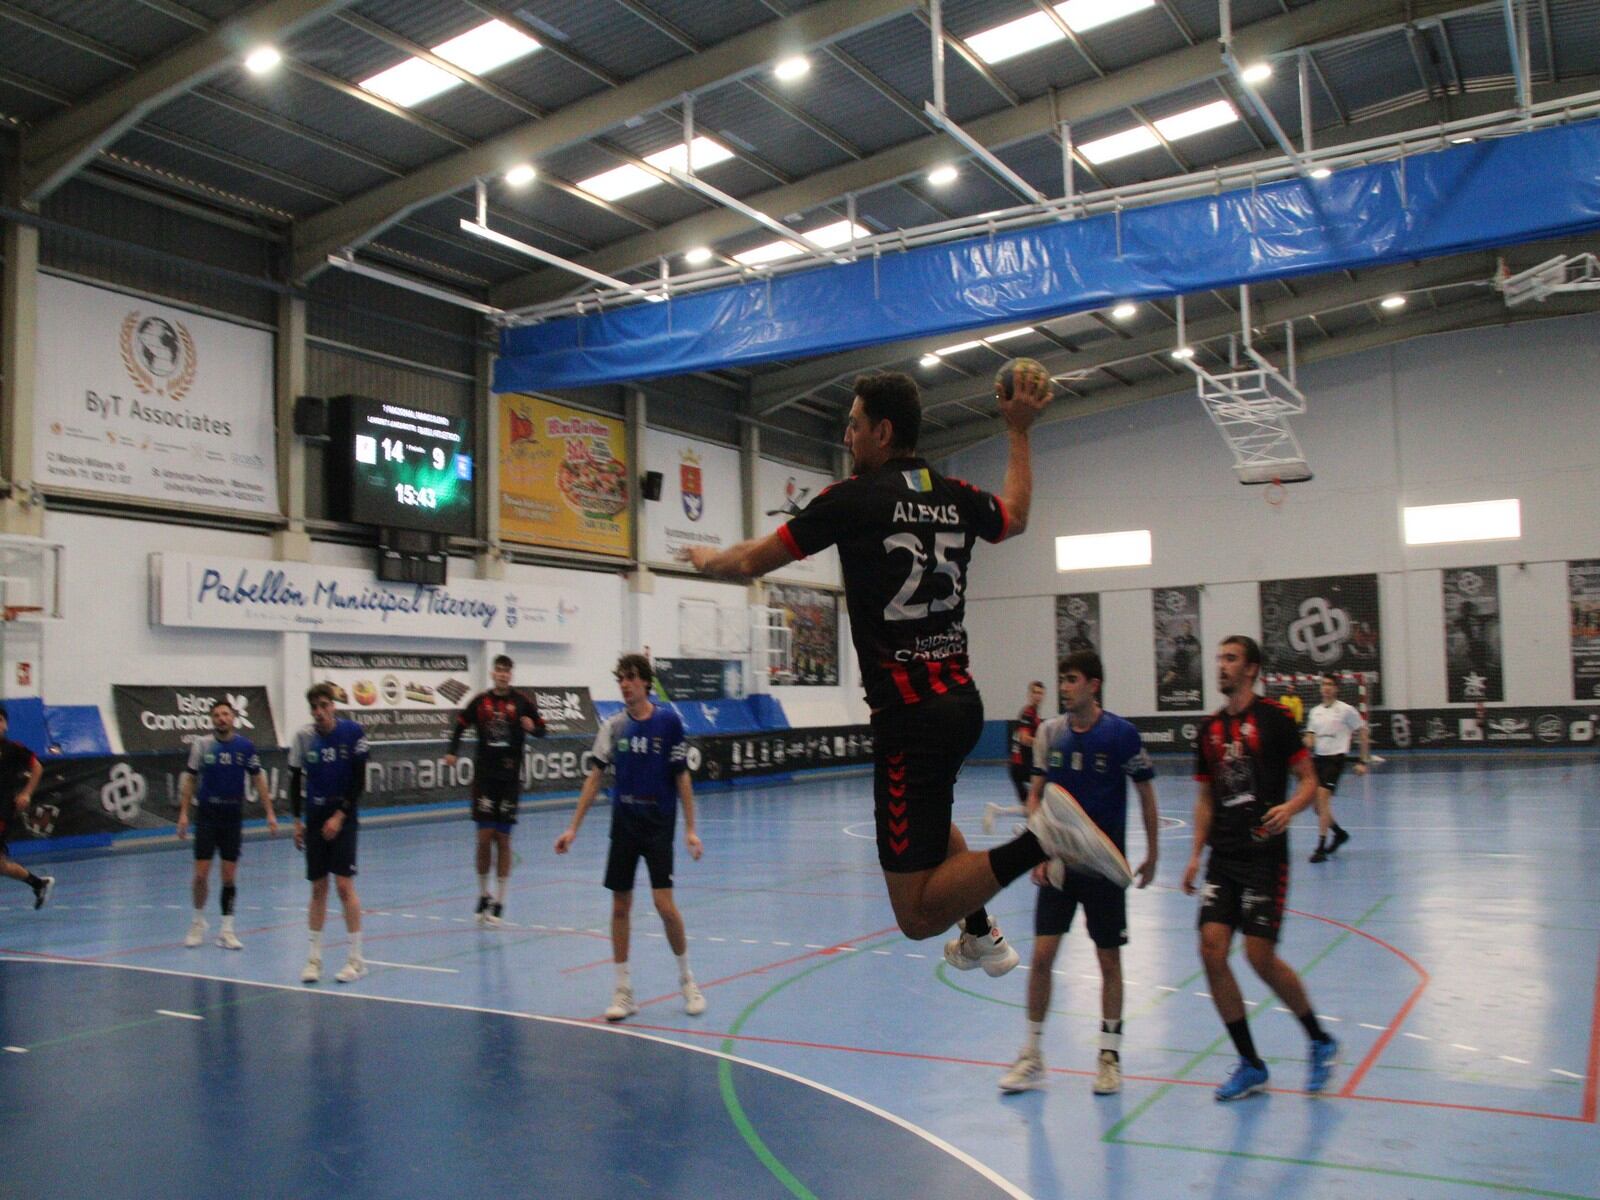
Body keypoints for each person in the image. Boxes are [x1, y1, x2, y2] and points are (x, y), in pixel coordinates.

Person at [685, 369, 1128, 976]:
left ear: (883, 431)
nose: (847, 435)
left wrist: (707, 558)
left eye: (855, 424)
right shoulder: (955, 493)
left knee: (916, 916)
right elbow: (1017, 515)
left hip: (909, 718)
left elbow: (752, 559)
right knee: (931, 819)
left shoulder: (850, 499)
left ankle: (1042, 840)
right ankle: (980, 931)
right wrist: (1017, 431)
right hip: (960, 704)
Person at [1183, 636, 1338, 1100]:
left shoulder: (1276, 719)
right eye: (1219, 658)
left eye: (1230, 659)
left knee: (1258, 956)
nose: (1222, 666)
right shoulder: (1209, 730)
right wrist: (1194, 854)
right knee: (1211, 951)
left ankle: (1319, 1039)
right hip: (1223, 857)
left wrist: (1290, 808)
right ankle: (1250, 1063)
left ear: (1251, 669)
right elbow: (1207, 798)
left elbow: (1310, 780)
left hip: (1265, 857)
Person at [999, 652, 1158, 1096]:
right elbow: (1036, 797)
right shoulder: (1050, 733)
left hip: (1104, 869)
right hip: (1059, 866)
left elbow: (1145, 795)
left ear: (1094, 684)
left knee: (1109, 961)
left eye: (1071, 680)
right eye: (1061, 681)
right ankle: (1032, 1055)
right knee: (1043, 958)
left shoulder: (1121, 734)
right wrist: (1037, 850)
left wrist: (1153, 854)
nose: (1064, 688)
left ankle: (1109, 1056)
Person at [555, 654, 705, 1022]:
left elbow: (682, 777)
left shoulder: (669, 722)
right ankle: (624, 991)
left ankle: (688, 980)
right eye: (621, 678)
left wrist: (690, 829)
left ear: (646, 684)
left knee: (664, 906)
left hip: (658, 824)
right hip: (624, 824)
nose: (625, 684)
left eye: (632, 678)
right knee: (620, 906)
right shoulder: (613, 726)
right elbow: (594, 779)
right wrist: (573, 827)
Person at [445, 654, 546, 926]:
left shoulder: (522, 702)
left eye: (507, 671)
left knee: (503, 839)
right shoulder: (480, 702)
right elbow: (460, 725)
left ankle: (500, 900)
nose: (502, 675)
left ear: (511, 675)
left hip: (509, 780)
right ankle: (482, 894)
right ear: (493, 673)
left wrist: (532, 728)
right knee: (483, 836)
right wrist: (452, 752)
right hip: (485, 779)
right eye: (499, 670)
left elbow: (543, 729)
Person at [176, 699, 277, 949]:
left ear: (233, 718)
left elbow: (258, 779)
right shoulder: (202, 745)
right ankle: (198, 922)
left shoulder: (245, 746)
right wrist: (184, 813)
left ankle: (227, 929)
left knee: (229, 876)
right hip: (208, 815)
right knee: (200, 874)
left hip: (232, 816)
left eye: (225, 714)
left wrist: (270, 812)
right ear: (212, 719)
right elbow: (190, 779)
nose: (221, 718)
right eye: (217, 715)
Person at [290, 683, 369, 985]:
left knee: (344, 886)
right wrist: (297, 821)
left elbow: (359, 781)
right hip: (315, 817)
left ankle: (356, 959)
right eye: (315, 707)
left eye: (325, 705)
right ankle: (314, 958)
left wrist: (340, 814)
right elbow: (295, 781)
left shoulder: (352, 733)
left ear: (333, 706)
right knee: (318, 888)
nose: (320, 711)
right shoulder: (303, 738)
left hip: (343, 817)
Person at [1305, 673, 1367, 863]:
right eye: (1324, 684)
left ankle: (1321, 847)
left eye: (1330, 684)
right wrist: (1306, 741)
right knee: (1317, 807)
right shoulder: (1315, 712)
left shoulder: (1346, 710)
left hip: (1336, 759)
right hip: (1318, 760)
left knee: (1323, 799)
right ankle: (1339, 834)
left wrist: (1362, 761)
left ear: (1336, 688)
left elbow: (1362, 731)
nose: (1326, 687)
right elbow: (1310, 736)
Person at [0, 705, 51, 911]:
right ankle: (38, 883)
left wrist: (26, 793)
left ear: (5, 725)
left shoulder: (13, 749)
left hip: (2, 811)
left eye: (0, 720)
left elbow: (37, 767)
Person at [985, 681, 1045, 834]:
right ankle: (1026, 831)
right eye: (1035, 693)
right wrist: (1043, 743)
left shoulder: (1034, 715)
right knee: (1040, 802)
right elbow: (1025, 738)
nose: (1038, 696)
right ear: (1029, 695)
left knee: (1031, 807)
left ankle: (998, 812)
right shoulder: (1028, 714)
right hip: (1021, 767)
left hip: (1020, 767)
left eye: (1040, 693)